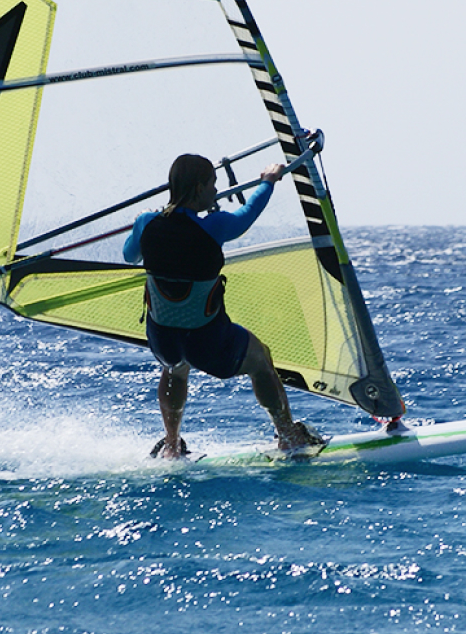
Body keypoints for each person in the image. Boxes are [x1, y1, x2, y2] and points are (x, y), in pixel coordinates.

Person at [122, 153, 322, 459]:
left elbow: (129, 256)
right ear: (200, 187)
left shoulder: (146, 223)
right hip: (206, 339)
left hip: (163, 338)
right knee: (261, 361)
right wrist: (268, 182)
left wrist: (143, 221)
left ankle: (172, 445)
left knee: (175, 367)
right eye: (213, 184)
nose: (216, 191)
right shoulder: (214, 226)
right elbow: (246, 216)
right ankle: (288, 434)